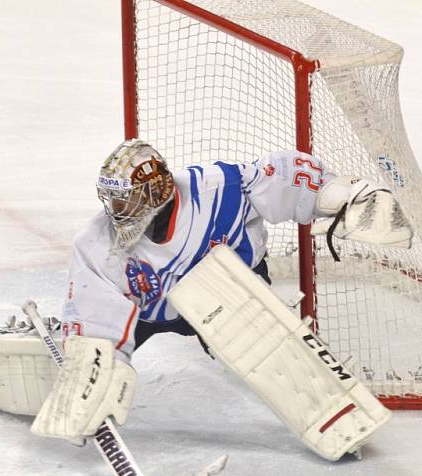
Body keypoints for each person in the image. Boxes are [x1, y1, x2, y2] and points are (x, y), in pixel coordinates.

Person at [28, 138, 410, 454]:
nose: (118, 212)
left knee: (261, 337)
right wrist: (96, 362)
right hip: (149, 312)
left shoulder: (218, 189)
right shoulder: (96, 243)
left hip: (228, 291)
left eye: (127, 201)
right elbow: (97, 312)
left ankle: (335, 417)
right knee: (81, 365)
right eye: (112, 201)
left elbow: (283, 175)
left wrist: (340, 195)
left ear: (157, 192)